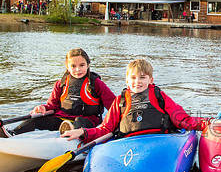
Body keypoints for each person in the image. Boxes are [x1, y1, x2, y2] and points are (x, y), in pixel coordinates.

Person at [62, 58, 209, 142]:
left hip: (159, 142)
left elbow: (182, 120)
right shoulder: (120, 101)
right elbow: (105, 129)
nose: (137, 82)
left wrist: (208, 123)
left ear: (151, 80)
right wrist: (82, 132)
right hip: (129, 144)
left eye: (142, 77)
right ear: (127, 81)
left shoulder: (160, 97)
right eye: (133, 78)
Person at [0, 48, 116, 137]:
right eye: (73, 66)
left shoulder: (95, 83)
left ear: (88, 65)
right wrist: (42, 108)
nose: (78, 70)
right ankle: (12, 133)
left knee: (79, 122)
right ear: (67, 66)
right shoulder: (61, 83)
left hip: (87, 121)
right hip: (62, 119)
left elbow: (113, 106)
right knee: (36, 119)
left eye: (82, 65)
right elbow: (52, 106)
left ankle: (70, 134)